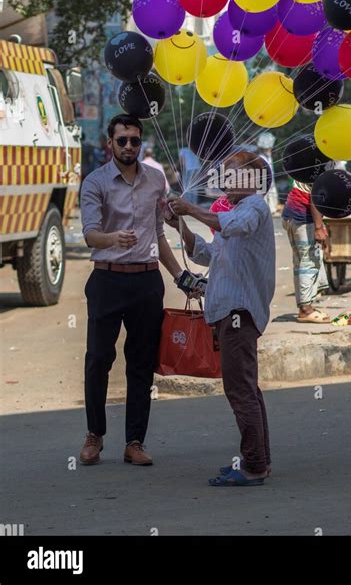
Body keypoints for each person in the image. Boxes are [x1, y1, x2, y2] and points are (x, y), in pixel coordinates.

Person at [79, 114, 200, 467]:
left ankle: (135, 441)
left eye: (135, 140)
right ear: (110, 144)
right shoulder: (95, 182)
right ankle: (94, 435)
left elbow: (160, 234)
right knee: (98, 360)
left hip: (147, 283)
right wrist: (113, 238)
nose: (129, 146)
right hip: (107, 280)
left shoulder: (156, 180)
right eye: (122, 141)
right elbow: (89, 234)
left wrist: (181, 276)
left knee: (141, 363)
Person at [166, 151, 275, 487]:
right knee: (246, 389)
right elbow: (209, 253)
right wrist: (181, 226)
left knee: (240, 390)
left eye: (231, 174)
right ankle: (258, 460)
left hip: (239, 313)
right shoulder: (237, 210)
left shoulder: (253, 207)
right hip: (230, 312)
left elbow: (234, 227)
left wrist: (191, 210)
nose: (224, 180)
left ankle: (254, 465)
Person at [281, 180, 330, 323]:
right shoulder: (321, 164)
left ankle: (306, 305)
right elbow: (315, 196)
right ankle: (306, 309)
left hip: (291, 213)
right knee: (309, 262)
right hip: (303, 217)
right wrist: (319, 227)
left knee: (301, 261)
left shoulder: (310, 161)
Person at [257, 132, 279, 214]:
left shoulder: (268, 156)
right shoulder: (261, 157)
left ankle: (271, 209)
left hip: (270, 183)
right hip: (264, 184)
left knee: (271, 199)